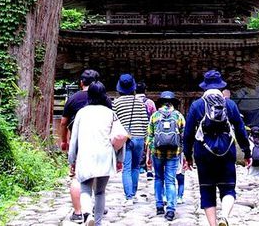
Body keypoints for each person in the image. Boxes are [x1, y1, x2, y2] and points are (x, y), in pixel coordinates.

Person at [183, 69, 251, 226]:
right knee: (228, 188)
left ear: (205, 87)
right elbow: (241, 130)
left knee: (207, 190)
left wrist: (187, 156)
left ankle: (213, 224)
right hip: (226, 151)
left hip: (203, 152)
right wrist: (247, 152)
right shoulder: (230, 105)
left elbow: (187, 133)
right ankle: (225, 216)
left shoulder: (197, 105)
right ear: (221, 87)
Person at [68, 82, 126, 226]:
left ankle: (87, 215)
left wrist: (72, 160)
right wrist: (119, 159)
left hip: (86, 154)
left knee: (85, 188)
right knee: (100, 192)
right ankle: (98, 222)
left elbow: (74, 139)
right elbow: (119, 136)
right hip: (105, 154)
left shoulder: (81, 113)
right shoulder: (110, 114)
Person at [59, 69, 109, 222]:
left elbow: (63, 122)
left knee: (78, 178)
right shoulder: (105, 101)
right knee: (99, 184)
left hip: (80, 141)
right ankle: (97, 210)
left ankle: (79, 212)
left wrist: (64, 141)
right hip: (101, 143)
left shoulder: (73, 99)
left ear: (81, 82)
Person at [146, 90, 185, 221]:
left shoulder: (155, 116)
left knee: (158, 178)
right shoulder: (178, 116)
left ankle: (158, 206)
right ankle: (171, 209)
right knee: (170, 181)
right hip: (173, 153)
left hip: (157, 153)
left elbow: (149, 136)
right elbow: (183, 136)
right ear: (173, 103)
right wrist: (183, 153)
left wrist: (149, 152)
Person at [112, 73, 149, 203]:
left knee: (126, 167)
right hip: (139, 137)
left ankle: (129, 196)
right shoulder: (139, 103)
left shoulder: (116, 103)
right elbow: (145, 121)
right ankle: (133, 192)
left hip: (125, 138)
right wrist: (145, 138)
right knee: (136, 167)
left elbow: (114, 121)